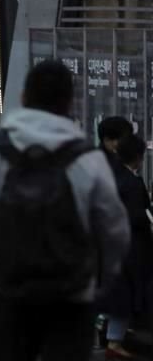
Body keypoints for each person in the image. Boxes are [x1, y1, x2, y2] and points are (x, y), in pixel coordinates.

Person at [0, 60, 130, 361]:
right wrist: (97, 281)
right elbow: (114, 229)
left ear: (23, 98)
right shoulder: (88, 157)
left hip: (6, 290)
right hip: (70, 294)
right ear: (69, 101)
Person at [99, 133, 152, 360]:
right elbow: (136, 216)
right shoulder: (131, 182)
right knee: (128, 295)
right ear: (138, 157)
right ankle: (115, 342)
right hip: (131, 248)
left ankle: (114, 339)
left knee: (120, 296)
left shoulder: (111, 176)